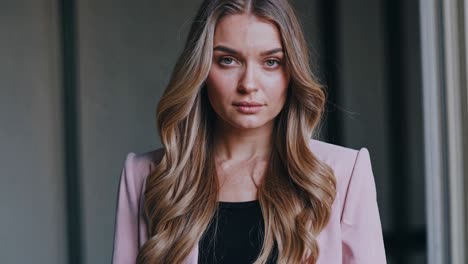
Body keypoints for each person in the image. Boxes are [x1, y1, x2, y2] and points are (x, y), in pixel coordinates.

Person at [112, 0, 386, 263]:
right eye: (228, 60)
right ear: (201, 70)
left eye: (271, 62)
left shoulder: (344, 175)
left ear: (292, 72)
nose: (249, 84)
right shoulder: (146, 176)